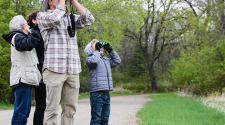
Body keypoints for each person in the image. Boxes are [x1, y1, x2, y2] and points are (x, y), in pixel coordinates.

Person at [37, 0, 95, 124]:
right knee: (52, 110)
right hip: (54, 69)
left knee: (70, 110)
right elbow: (55, 18)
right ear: (49, 1)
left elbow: (89, 19)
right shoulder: (42, 16)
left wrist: (74, 1)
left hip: (73, 69)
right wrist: (62, 3)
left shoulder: (70, 18)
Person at [2, 15, 42, 125]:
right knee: (21, 113)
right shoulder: (17, 37)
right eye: (26, 23)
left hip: (25, 80)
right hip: (22, 80)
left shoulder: (20, 37)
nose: (28, 25)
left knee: (24, 112)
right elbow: (27, 44)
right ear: (22, 26)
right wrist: (34, 30)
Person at [85, 39, 121, 125]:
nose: (100, 47)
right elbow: (94, 61)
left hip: (106, 92)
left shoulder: (106, 60)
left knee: (105, 119)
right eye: (97, 45)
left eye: (100, 46)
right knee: (96, 119)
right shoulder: (89, 59)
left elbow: (117, 61)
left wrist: (110, 50)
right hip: (97, 93)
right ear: (91, 49)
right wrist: (96, 51)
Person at [27, 12, 46, 125]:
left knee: (43, 104)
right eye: (40, 18)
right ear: (34, 21)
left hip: (44, 70)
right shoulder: (34, 32)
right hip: (39, 71)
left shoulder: (41, 31)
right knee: (41, 104)